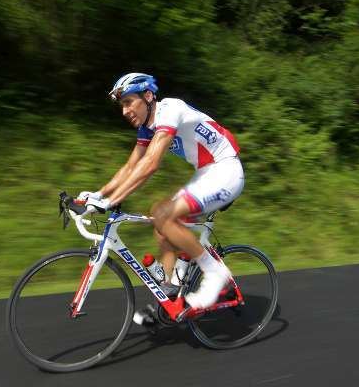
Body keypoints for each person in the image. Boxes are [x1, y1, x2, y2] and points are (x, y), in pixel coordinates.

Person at [79, 72, 244, 319]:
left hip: (226, 169)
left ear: (147, 96)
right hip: (207, 173)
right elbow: (131, 166)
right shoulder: (148, 127)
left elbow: (151, 164)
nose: (124, 111)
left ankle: (215, 273)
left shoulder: (170, 110)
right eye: (121, 105)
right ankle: (170, 301)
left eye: (128, 102)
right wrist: (97, 195)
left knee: (164, 215)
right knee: (161, 221)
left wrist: (110, 202)